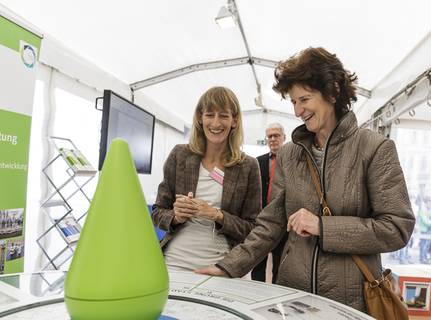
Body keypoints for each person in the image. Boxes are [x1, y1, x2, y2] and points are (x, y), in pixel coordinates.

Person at [196, 47, 415, 313]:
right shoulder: (290, 154)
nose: (298, 111)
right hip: (292, 298)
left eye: (304, 99)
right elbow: (270, 225)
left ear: (333, 91)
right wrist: (227, 266)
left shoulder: (375, 149)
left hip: (349, 303)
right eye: (293, 102)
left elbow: (397, 227)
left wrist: (323, 227)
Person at [151, 86, 262, 271]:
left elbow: (253, 228)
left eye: (224, 116)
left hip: (222, 265)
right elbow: (157, 213)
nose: (216, 123)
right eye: (210, 115)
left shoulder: (247, 166)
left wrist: (217, 215)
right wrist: (176, 216)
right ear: (199, 118)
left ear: (234, 121)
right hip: (174, 261)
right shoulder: (180, 155)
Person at [251, 123, 287, 283]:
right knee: (257, 261)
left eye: (276, 135)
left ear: (284, 137)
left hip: (283, 222)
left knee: (279, 264)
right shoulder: (257, 162)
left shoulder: (291, 162)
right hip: (261, 220)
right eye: (270, 136)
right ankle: (255, 296)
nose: (273, 139)